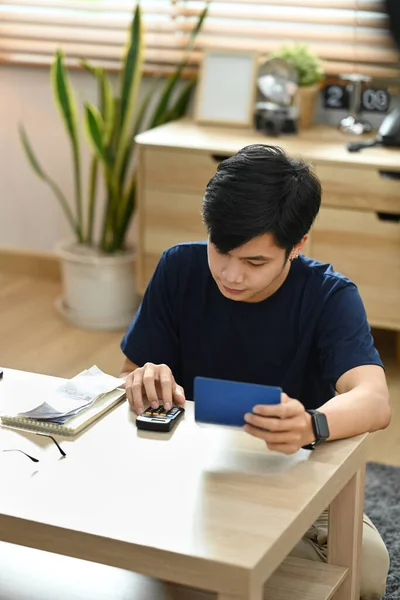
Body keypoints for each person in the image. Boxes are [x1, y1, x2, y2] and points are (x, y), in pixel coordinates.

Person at [120, 144, 391, 599]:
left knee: (365, 571)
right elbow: (130, 372)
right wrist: (143, 377)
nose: (230, 274)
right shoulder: (178, 268)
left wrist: (310, 424)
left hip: (294, 474)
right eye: (220, 249)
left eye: (255, 261)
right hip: (191, 470)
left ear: (298, 245)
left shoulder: (330, 297)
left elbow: (374, 399)